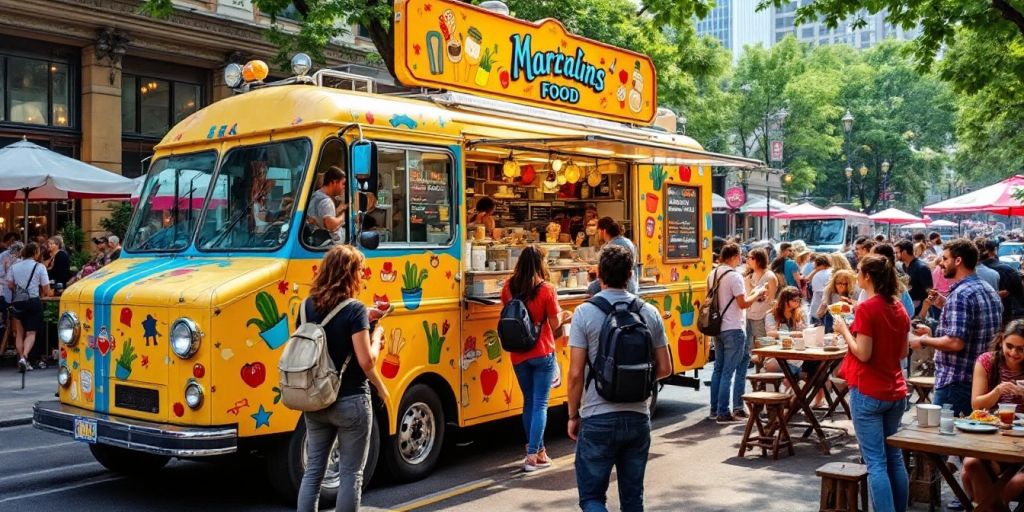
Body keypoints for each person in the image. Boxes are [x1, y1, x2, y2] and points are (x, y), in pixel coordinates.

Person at [567, 244, 671, 512]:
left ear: (599, 274)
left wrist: (572, 415)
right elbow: (665, 368)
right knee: (633, 498)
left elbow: (576, 373)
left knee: (592, 498)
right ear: (629, 275)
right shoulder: (649, 312)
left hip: (596, 416)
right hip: (638, 417)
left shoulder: (584, 313)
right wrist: (635, 380)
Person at [296, 245, 388, 512]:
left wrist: (364, 319)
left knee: (313, 472)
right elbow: (366, 361)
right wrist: (377, 338)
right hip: (351, 401)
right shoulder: (354, 309)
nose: (363, 274)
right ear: (349, 274)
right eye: (360, 270)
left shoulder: (305, 307)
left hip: (315, 400)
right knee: (351, 474)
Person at [833, 254, 910, 512]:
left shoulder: (868, 308)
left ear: (867, 276)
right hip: (895, 390)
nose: (856, 275)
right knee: (894, 459)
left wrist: (844, 330)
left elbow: (863, 353)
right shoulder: (897, 306)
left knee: (876, 462)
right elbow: (902, 353)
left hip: (868, 390)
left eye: (858, 271)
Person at [911, 239, 1004, 417]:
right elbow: (975, 323)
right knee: (971, 435)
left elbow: (955, 342)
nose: (941, 263)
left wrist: (922, 340)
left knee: (941, 438)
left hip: (957, 380)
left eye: (945, 259)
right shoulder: (987, 288)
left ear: (958, 261)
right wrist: (945, 304)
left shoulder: (961, 295)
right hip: (981, 379)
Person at [500, 245, 572, 472]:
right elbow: (553, 324)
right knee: (541, 403)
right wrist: (565, 315)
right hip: (542, 352)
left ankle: (539, 452)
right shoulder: (547, 289)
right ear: (541, 264)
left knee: (529, 403)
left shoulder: (508, 286)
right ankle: (532, 456)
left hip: (518, 354)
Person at [960, 321, 1024, 511]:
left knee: (969, 473)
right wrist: (997, 391)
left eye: (1021, 349)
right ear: (1001, 341)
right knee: (970, 464)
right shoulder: (987, 361)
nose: (1013, 353)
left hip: (1019, 445)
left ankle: (985, 507)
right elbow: (976, 404)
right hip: (990, 437)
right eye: (1009, 346)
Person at [707, 243, 766, 423]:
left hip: (717, 327)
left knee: (718, 369)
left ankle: (714, 409)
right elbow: (743, 304)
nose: (741, 259)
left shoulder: (712, 273)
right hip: (733, 326)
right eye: (740, 256)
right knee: (728, 372)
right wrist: (757, 293)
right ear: (734, 257)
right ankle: (724, 412)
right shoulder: (734, 277)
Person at [7, 242, 52, 372]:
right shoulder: (40, 267)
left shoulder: (14, 267)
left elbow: (10, 285)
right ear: (36, 253)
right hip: (33, 301)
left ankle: (22, 359)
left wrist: (19, 291)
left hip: (18, 302)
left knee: (19, 333)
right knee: (31, 332)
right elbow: (46, 288)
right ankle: (25, 357)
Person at [743, 247, 777, 373]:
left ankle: (764, 375)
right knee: (751, 349)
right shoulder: (749, 276)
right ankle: (758, 376)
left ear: (758, 259)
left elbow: (770, 299)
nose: (747, 260)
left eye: (750, 258)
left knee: (763, 347)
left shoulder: (769, 277)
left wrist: (758, 297)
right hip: (748, 315)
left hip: (762, 316)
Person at [585, 217, 639, 295]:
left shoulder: (609, 247)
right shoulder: (628, 242)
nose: (598, 233)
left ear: (603, 231)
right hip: (631, 288)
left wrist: (591, 288)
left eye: (598, 230)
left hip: (615, 292)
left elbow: (609, 274)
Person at [978, 238, 1024, 323]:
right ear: (994, 251)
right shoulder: (1008, 270)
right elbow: (1019, 298)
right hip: (1007, 319)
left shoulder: (969, 271)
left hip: (983, 320)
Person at [307, 166, 348, 245]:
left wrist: (340, 208)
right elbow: (331, 226)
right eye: (343, 184)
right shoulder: (326, 201)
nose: (344, 187)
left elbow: (322, 216)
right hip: (331, 243)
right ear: (334, 182)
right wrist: (344, 216)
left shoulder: (316, 195)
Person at [895, 239, 932, 317]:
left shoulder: (921, 268)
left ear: (904, 252)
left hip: (919, 311)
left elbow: (929, 292)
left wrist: (923, 311)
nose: (895, 255)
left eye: (897, 252)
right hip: (907, 308)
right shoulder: (903, 266)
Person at [806, 255, 832, 326]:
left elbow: (820, 295)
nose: (815, 268)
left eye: (816, 266)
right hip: (830, 310)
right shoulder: (832, 273)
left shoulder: (819, 275)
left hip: (818, 310)